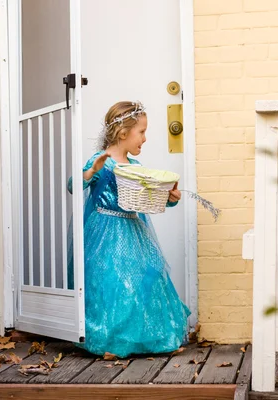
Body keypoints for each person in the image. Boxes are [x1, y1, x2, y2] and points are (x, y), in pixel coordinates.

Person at [68, 101, 190, 358]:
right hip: (104, 230)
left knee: (146, 277)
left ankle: (152, 339)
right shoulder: (102, 161)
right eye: (141, 132)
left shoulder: (134, 166)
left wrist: (171, 197)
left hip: (134, 230)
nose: (145, 138)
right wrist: (91, 171)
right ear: (123, 132)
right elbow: (72, 185)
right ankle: (108, 340)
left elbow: (149, 197)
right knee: (109, 281)